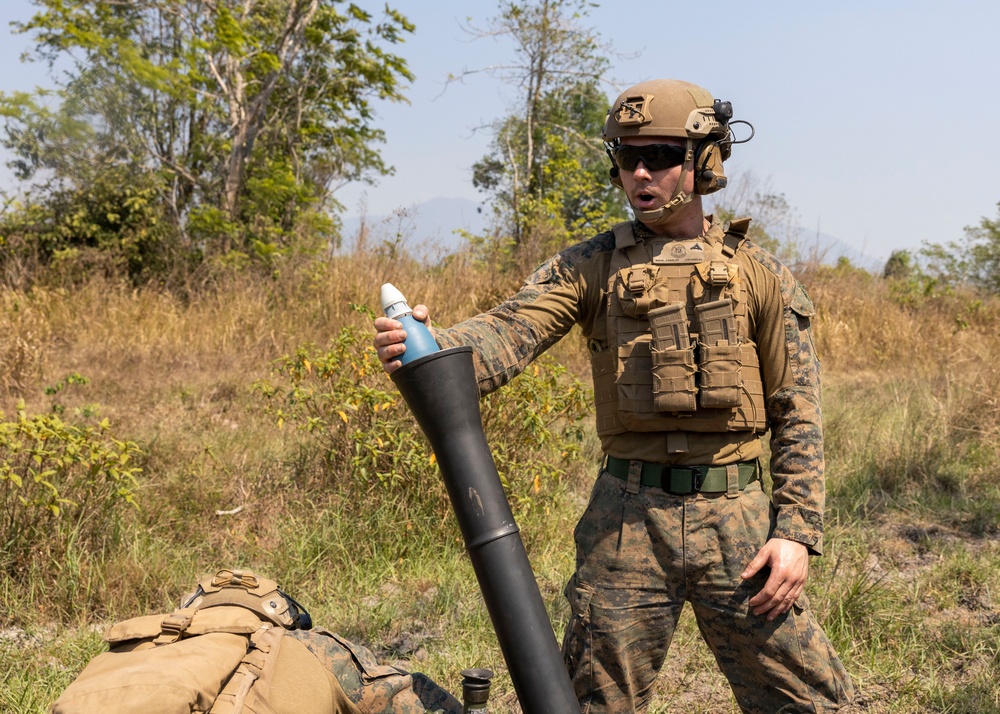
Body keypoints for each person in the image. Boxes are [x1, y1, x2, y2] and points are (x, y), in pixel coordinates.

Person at [374, 79, 855, 713]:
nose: (640, 173)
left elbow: (799, 411)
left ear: (703, 160)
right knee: (591, 703)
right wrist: (435, 347)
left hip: (737, 518)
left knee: (813, 702)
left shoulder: (757, 273)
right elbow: (508, 332)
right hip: (626, 523)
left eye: (659, 155)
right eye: (627, 157)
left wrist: (795, 531)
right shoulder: (590, 266)